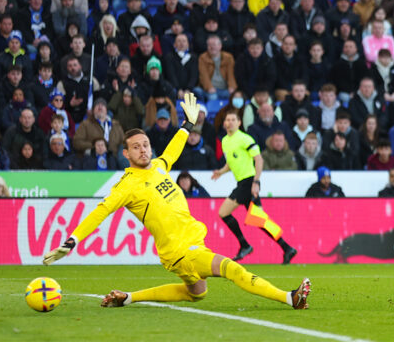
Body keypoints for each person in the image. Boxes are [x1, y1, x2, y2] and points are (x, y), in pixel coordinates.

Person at [42, 93, 311, 310]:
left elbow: (174, 147)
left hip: (189, 243)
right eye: (136, 146)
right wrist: (72, 241)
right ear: (125, 154)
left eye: (146, 144)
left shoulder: (159, 165)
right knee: (232, 268)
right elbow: (101, 212)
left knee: (197, 293)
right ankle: (290, 298)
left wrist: (188, 124)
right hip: (181, 250)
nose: (143, 149)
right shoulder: (126, 186)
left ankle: (129, 297)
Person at [211, 110, 298, 264]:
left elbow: (259, 160)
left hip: (249, 182)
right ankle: (287, 248)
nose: (229, 122)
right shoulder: (225, 141)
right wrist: (221, 172)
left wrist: (256, 182)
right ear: (224, 123)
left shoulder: (245, 138)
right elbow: (231, 164)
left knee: (224, 212)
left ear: (239, 123)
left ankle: (245, 245)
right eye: (227, 119)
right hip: (243, 183)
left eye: (233, 119)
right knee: (260, 220)